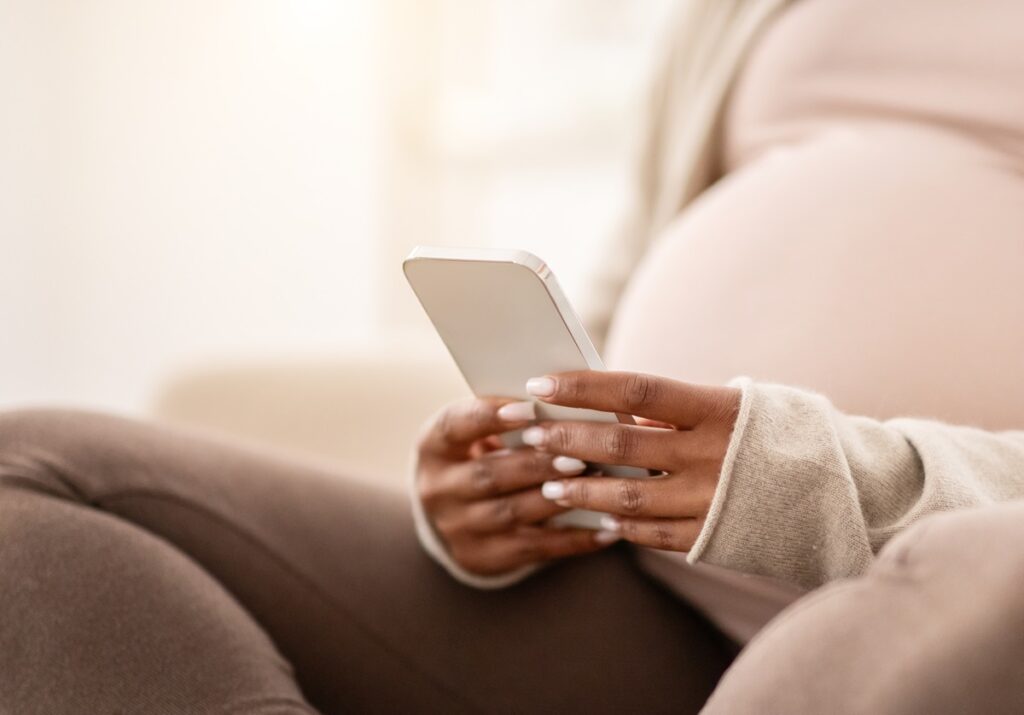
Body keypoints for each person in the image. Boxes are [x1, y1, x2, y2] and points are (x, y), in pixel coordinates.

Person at [4, 0, 1024, 713]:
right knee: (31, 484)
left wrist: (806, 478)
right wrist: (533, 454)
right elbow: (640, 281)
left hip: (957, 602)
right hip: (650, 592)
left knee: (976, 572)